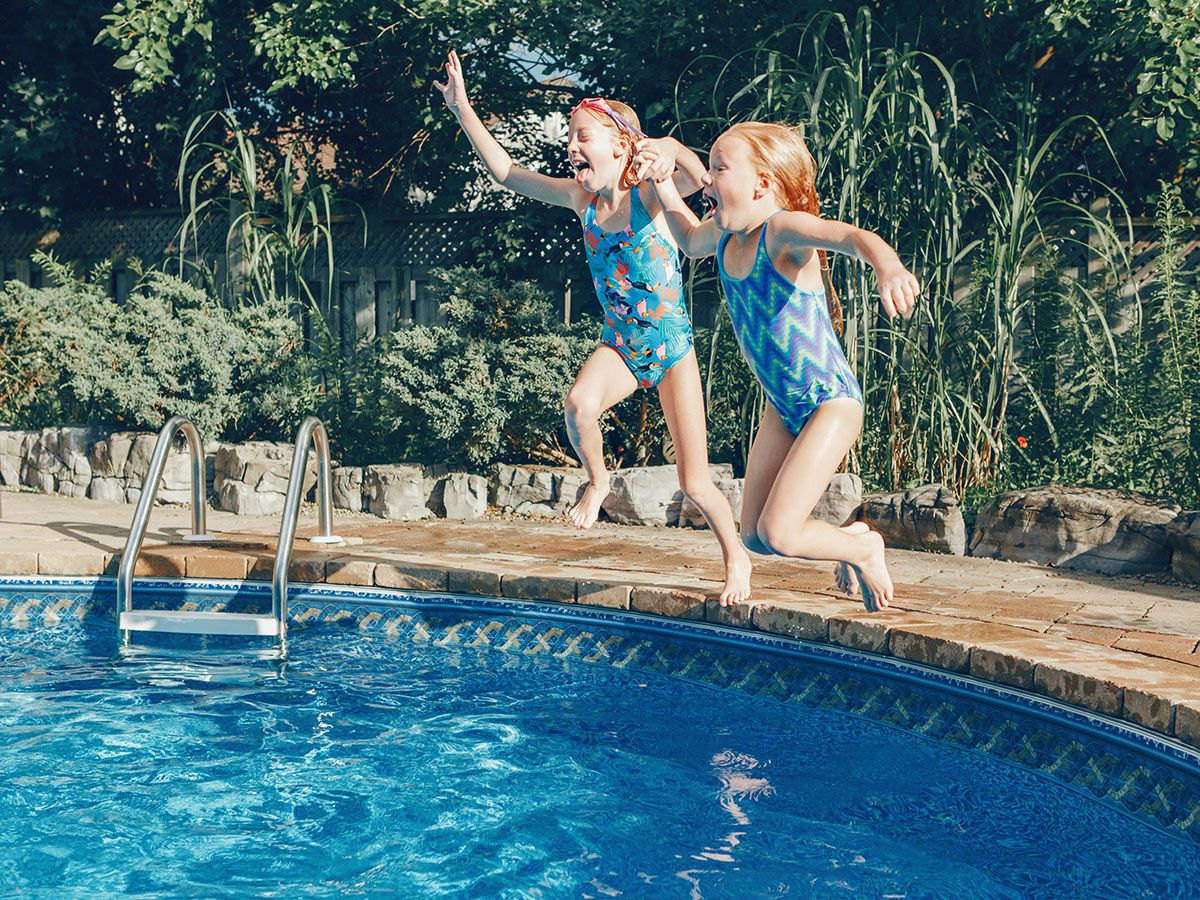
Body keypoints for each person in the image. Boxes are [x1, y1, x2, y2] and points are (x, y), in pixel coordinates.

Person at [434, 50, 752, 605]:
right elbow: (507, 173)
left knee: (693, 481)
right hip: (622, 345)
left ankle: (736, 558)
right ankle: (600, 479)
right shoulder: (579, 198)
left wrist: (673, 150)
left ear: (619, 145)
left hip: (671, 348)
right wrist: (463, 109)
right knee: (579, 404)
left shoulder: (647, 193)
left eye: (583, 136)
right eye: (570, 138)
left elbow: (702, 183)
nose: (572, 146)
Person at [649, 121, 919, 611]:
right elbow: (687, 239)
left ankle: (863, 546)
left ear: (762, 184)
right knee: (753, 535)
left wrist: (889, 266)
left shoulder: (781, 231)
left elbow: (851, 235)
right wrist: (661, 180)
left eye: (719, 168)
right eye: (707, 168)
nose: (707, 180)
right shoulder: (726, 237)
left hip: (830, 404)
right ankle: (852, 536)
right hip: (783, 408)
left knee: (780, 530)